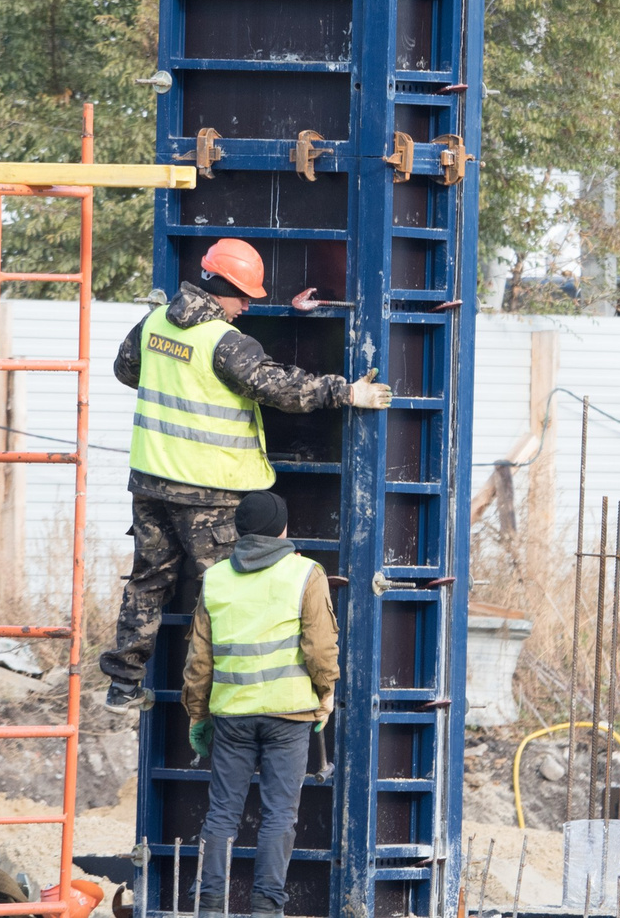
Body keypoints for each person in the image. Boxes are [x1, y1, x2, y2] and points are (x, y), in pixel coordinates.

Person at [100, 238, 389, 710]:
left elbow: (126, 371)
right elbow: (283, 389)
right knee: (228, 590)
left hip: (150, 482)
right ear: (223, 287)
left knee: (148, 580)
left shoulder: (153, 322)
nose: (247, 306)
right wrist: (346, 392)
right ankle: (232, 694)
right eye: (245, 296)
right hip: (208, 490)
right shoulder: (224, 342)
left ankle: (123, 684)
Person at [182, 487, 335, 918]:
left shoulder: (215, 578)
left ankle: (209, 905)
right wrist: (325, 694)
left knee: (222, 815)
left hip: (231, 716)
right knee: (278, 817)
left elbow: (199, 658)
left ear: (240, 529)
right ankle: (266, 908)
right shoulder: (306, 573)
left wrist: (197, 714)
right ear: (283, 528)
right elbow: (320, 648)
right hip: (289, 716)